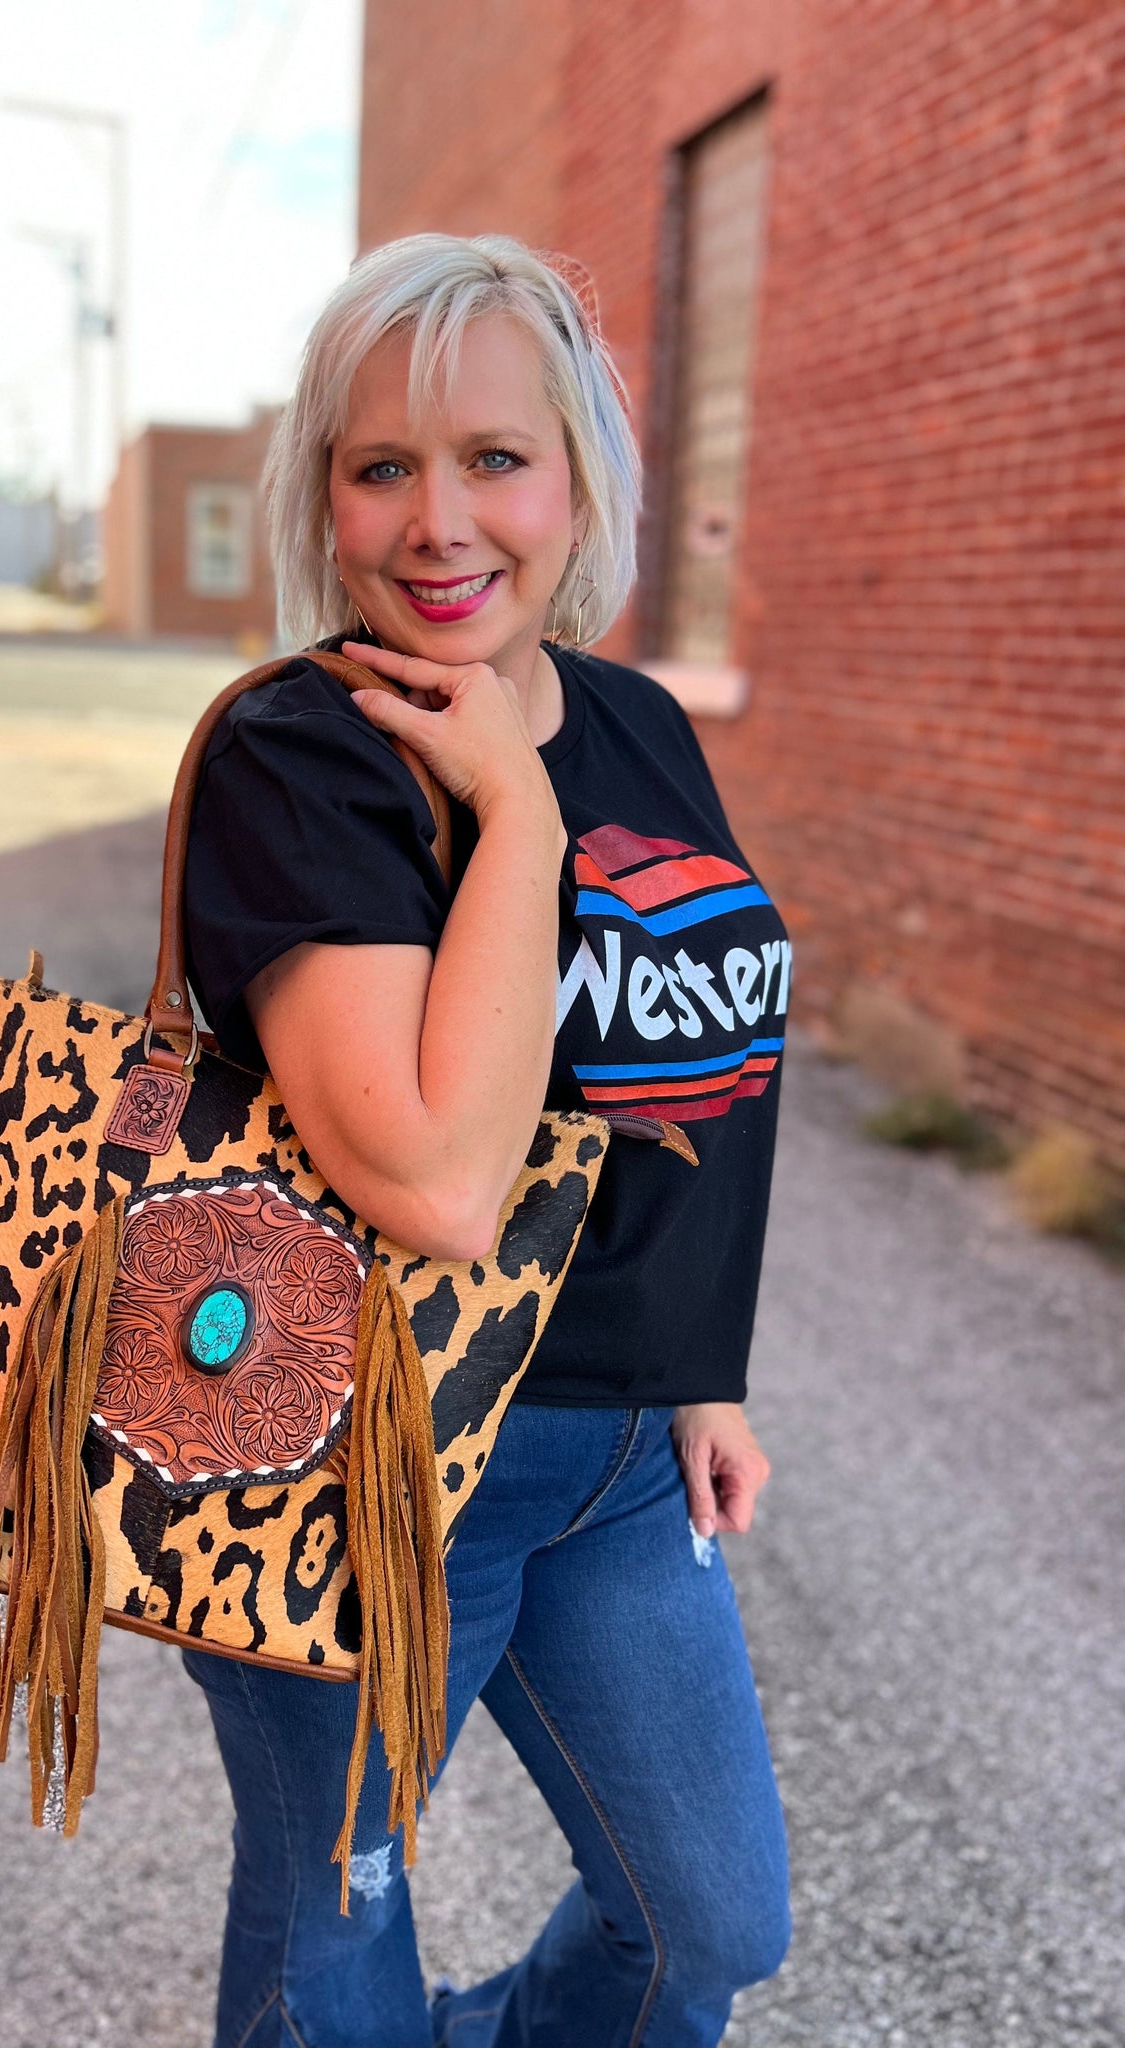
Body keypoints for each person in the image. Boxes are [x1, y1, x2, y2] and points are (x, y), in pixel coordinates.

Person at [181, 233, 792, 2048]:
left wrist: (706, 1370)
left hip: (618, 1453)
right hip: (370, 1457)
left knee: (710, 1924)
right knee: (329, 1942)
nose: (441, 522)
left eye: (494, 459)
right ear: (329, 500)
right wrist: (515, 817)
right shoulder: (307, 759)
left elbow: (692, 1070)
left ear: (578, 477)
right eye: (384, 467)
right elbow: (443, 1181)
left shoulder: (641, 720)